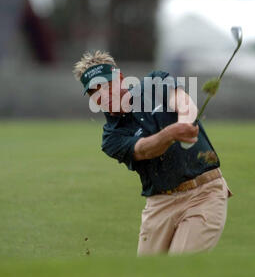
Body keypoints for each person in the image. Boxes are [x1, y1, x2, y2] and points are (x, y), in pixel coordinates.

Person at [73, 50, 232, 256]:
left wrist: (184, 122)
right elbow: (144, 150)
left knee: (178, 272)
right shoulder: (111, 136)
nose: (102, 95)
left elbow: (184, 103)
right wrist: (171, 134)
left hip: (204, 193)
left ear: (120, 78)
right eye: (94, 92)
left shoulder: (155, 83)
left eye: (105, 85)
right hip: (159, 204)